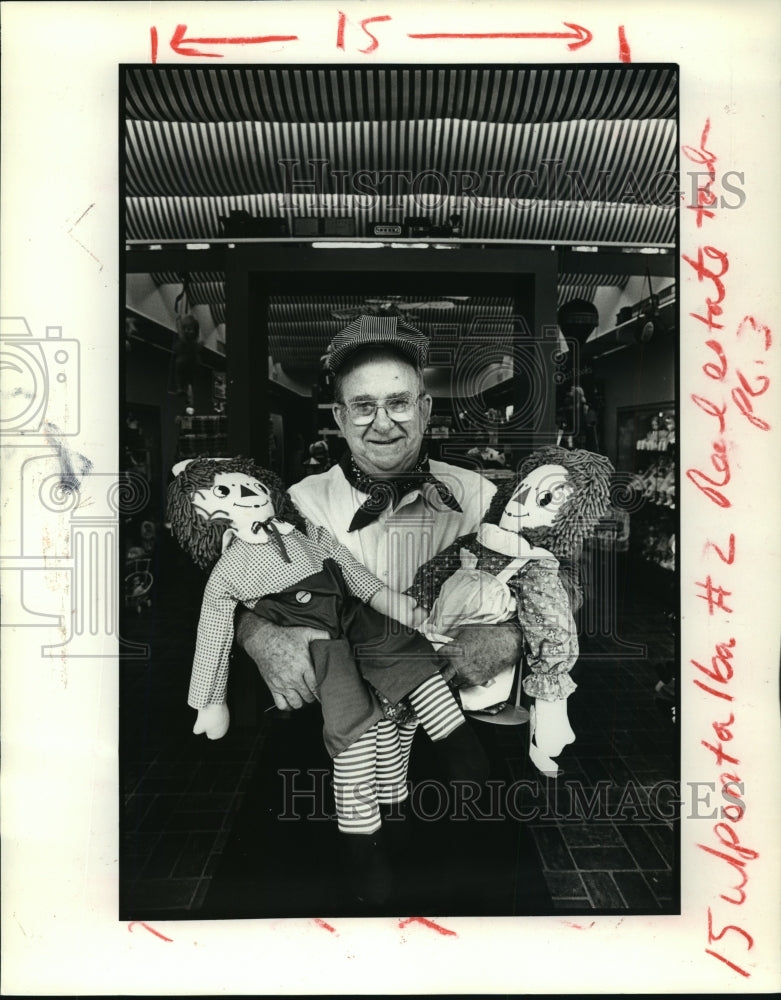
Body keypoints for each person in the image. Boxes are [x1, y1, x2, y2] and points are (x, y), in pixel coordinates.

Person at [237, 314, 524, 718]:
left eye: (399, 403)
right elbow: (239, 591)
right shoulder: (300, 504)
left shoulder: (482, 498)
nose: (383, 423)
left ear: (424, 409)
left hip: (458, 719)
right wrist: (259, 636)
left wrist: (509, 638)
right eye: (363, 406)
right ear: (340, 417)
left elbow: (551, 587)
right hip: (338, 729)